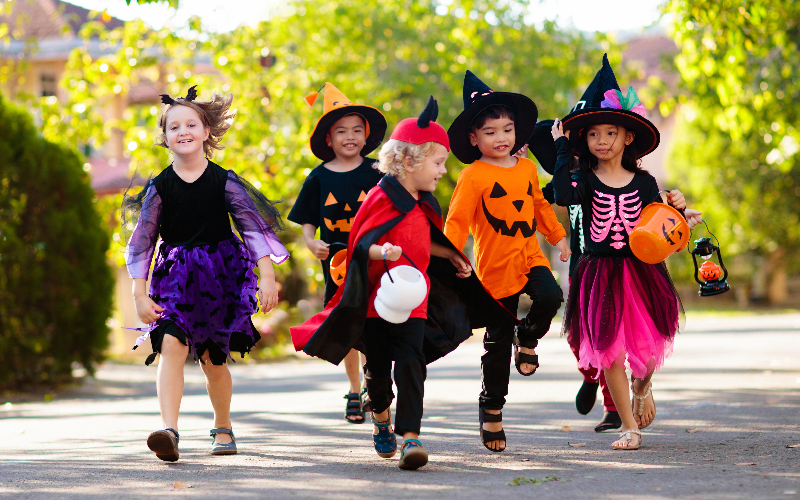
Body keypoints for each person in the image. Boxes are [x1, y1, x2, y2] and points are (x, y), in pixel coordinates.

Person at [290, 97, 516, 470]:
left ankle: (411, 436)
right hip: (376, 303)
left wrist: (451, 255)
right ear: (410, 160)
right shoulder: (380, 196)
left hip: (415, 300)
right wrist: (382, 253)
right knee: (378, 371)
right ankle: (381, 416)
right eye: (438, 162)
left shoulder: (423, 202)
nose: (443, 171)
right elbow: (359, 243)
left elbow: (425, 239)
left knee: (411, 362)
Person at [123, 86, 289, 461]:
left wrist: (267, 276)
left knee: (214, 360)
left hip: (220, 278)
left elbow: (253, 228)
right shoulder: (160, 187)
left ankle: (223, 425)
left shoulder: (223, 180)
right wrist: (139, 292)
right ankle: (170, 430)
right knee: (170, 346)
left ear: (205, 131)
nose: (183, 131)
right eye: (173, 126)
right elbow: (142, 242)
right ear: (164, 138)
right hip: (175, 280)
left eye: (191, 124)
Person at [552, 54, 696, 450]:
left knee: (650, 350)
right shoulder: (582, 179)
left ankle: (642, 385)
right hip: (598, 272)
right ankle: (628, 426)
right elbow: (562, 194)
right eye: (593, 134)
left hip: (640, 271)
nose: (601, 141)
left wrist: (682, 211)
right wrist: (564, 150)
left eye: (610, 133)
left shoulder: (646, 181)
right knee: (609, 349)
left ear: (627, 137)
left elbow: (662, 220)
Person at [444, 71, 570, 453]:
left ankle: (528, 335)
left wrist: (558, 237)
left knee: (551, 297)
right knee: (496, 345)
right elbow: (457, 222)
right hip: (493, 269)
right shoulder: (472, 176)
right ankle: (492, 408)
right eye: (490, 132)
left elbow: (537, 205)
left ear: (517, 132)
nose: (501, 138)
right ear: (474, 138)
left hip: (528, 254)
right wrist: (449, 257)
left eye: (507, 129)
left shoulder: (527, 168)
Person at [288, 83, 387, 424]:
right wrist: (309, 241)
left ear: (366, 135)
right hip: (338, 265)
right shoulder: (317, 178)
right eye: (341, 131)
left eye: (357, 130)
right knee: (347, 325)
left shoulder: (378, 173)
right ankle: (353, 387)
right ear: (328, 139)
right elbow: (305, 219)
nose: (350, 136)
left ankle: (373, 384)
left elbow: (394, 210)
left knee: (372, 323)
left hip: (374, 260)